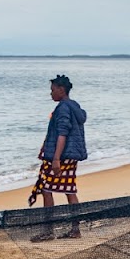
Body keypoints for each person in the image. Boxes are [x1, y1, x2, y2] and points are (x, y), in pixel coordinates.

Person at [27, 74, 87, 241]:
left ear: (61, 90)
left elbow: (62, 134)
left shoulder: (63, 108)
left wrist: (55, 159)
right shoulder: (74, 106)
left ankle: (48, 231)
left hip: (61, 157)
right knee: (69, 190)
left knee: (46, 189)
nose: (51, 93)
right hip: (71, 157)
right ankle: (75, 230)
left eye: (53, 90)